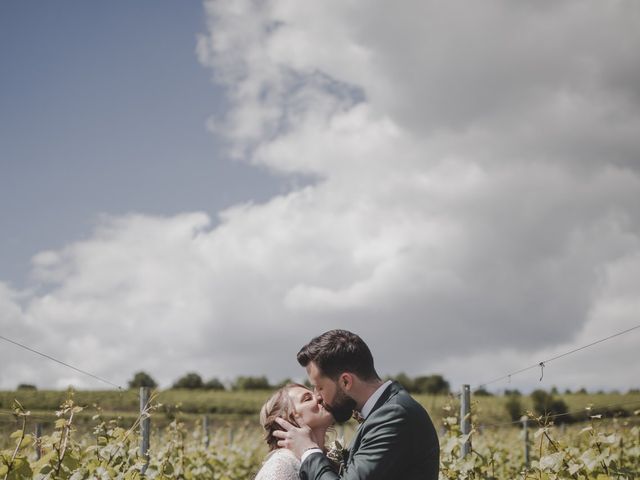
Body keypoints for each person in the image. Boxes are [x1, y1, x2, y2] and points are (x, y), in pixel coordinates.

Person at [273, 329, 440, 480]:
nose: (318, 396)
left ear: (346, 381)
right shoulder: (384, 410)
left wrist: (308, 450)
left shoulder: (393, 415)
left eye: (320, 387)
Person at [255, 383, 335, 480]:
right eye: (307, 399)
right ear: (286, 419)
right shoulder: (281, 466)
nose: (319, 397)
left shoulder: (330, 460)